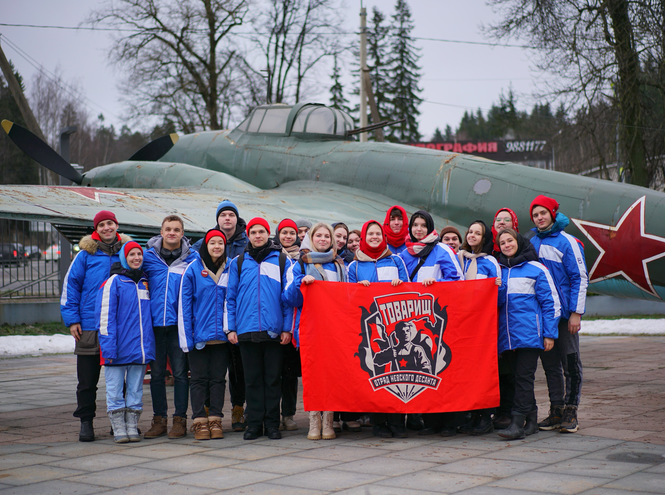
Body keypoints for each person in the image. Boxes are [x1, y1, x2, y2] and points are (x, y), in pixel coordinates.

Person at [61, 210, 131, 442]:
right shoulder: (85, 256)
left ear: (116, 225)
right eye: (101, 225)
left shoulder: (127, 252)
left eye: (110, 223)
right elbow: (71, 288)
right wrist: (73, 320)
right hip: (89, 326)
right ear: (96, 229)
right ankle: (86, 422)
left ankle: (117, 422)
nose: (106, 228)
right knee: (87, 381)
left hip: (118, 327)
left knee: (118, 379)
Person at [226, 218, 293, 440]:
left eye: (261, 231)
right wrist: (231, 328)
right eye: (253, 232)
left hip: (273, 331)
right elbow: (231, 297)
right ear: (249, 235)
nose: (257, 235)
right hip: (246, 330)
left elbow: (287, 298)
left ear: (268, 234)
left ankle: (272, 424)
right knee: (252, 379)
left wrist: (286, 328)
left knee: (273, 379)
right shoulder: (238, 262)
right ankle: (254, 424)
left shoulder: (282, 261)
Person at [529, 195, 588, 433]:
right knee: (550, 365)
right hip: (544, 315)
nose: (539, 218)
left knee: (570, 362)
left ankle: (571, 410)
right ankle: (556, 409)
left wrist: (576, 312)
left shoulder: (567, 242)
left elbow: (579, 278)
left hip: (564, 316)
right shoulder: (531, 241)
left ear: (553, 213)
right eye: (535, 214)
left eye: (543, 213)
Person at [283, 223, 347, 441]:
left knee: (330, 376)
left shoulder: (340, 265)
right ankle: (314, 419)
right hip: (310, 328)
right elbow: (288, 298)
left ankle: (328, 420)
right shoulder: (301, 264)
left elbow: (347, 297)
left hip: (334, 330)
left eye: (326, 235)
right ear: (311, 238)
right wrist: (301, 283)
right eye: (317, 235)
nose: (322, 239)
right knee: (312, 376)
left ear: (332, 239)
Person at [496, 228, 560, 439]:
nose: (507, 245)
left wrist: (549, 334)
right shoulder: (498, 270)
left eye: (510, 240)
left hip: (530, 335)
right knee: (517, 378)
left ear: (519, 241)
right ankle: (531, 420)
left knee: (524, 378)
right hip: (508, 337)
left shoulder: (536, 268)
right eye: (503, 242)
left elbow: (551, 302)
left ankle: (517, 423)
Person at [348, 219, 410, 438]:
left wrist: (400, 285)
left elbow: (408, 289)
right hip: (370, 330)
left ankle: (397, 421)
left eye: (377, 233)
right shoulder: (354, 266)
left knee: (398, 372)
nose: (374, 237)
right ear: (363, 238)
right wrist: (357, 290)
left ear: (383, 236)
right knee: (375, 374)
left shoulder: (396, 260)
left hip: (395, 325)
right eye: (370, 234)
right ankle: (379, 422)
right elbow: (347, 298)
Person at [193, 200, 249, 432]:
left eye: (231, 215)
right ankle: (206, 411)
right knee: (211, 371)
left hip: (238, 316)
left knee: (238, 370)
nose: (227, 218)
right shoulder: (203, 243)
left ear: (237, 219)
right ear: (217, 219)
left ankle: (238, 409)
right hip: (209, 318)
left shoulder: (247, 243)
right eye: (223, 215)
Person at [142, 215, 197, 439]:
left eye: (176, 229)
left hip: (178, 325)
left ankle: (180, 420)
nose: (172, 233)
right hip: (154, 325)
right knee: (156, 375)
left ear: (182, 233)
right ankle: (159, 420)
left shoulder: (191, 258)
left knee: (181, 374)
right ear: (161, 232)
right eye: (168, 229)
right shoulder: (148, 257)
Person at [96, 241, 155, 443]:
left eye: (139, 254)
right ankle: (118, 426)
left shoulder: (145, 282)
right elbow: (105, 317)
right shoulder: (114, 282)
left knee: (136, 390)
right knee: (114, 390)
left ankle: (132, 425)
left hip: (139, 350)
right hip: (117, 349)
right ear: (124, 258)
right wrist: (108, 347)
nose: (137, 258)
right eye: (132, 255)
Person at [178, 229, 231, 440]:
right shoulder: (193, 269)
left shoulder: (231, 268)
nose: (217, 246)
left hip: (222, 338)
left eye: (220, 242)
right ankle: (199, 421)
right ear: (206, 246)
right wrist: (186, 339)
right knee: (199, 380)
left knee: (218, 380)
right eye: (212, 243)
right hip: (199, 337)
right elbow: (184, 306)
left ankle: (216, 419)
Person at [455, 220, 501, 436]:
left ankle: (484, 416)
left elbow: (498, 296)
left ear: (485, 239)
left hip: (481, 327)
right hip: (461, 325)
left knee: (482, 370)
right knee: (465, 371)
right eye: (470, 231)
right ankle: (469, 415)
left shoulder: (490, 262)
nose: (472, 236)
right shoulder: (459, 259)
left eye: (478, 233)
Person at [274, 219, 302, 431]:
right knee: (275, 372)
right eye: (284, 232)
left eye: (292, 233)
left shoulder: (304, 258)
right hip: (277, 321)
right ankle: (273, 412)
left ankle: (289, 414)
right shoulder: (274, 257)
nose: (288, 236)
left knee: (290, 374)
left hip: (297, 322)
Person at [399, 210, 463, 285]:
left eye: (424, 225)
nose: (419, 229)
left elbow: (458, 281)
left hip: (437, 296)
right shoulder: (404, 254)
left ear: (429, 227)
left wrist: (436, 283)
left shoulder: (445, 251)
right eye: (415, 225)